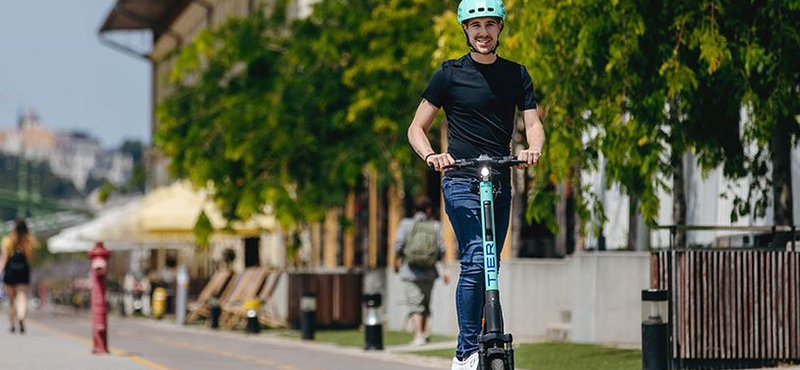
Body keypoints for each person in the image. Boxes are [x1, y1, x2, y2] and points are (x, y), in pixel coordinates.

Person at [407, 0, 545, 368]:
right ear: (465, 30)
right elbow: (416, 128)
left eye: (489, 24)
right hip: (460, 179)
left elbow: (532, 122)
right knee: (473, 261)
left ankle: (487, 335)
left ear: (500, 28)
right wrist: (432, 155)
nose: (483, 32)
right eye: (475, 25)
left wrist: (534, 148)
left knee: (491, 264)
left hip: (500, 178)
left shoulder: (517, 75)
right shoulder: (448, 74)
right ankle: (466, 352)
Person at [393, 197, 450, 346]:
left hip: (410, 271)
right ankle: (423, 334)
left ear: (414, 210)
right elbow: (442, 249)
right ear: (429, 210)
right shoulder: (436, 226)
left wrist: (396, 261)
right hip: (429, 271)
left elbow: (398, 245)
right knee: (425, 303)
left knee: (414, 304)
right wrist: (446, 270)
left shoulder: (406, 224)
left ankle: (418, 335)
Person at [1, 219, 37, 334]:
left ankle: (12, 324)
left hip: (11, 272)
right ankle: (21, 317)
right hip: (23, 272)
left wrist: (1, 270)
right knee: (22, 297)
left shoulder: (8, 240)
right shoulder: (30, 241)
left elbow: (4, 258)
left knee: (11, 300)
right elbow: (31, 259)